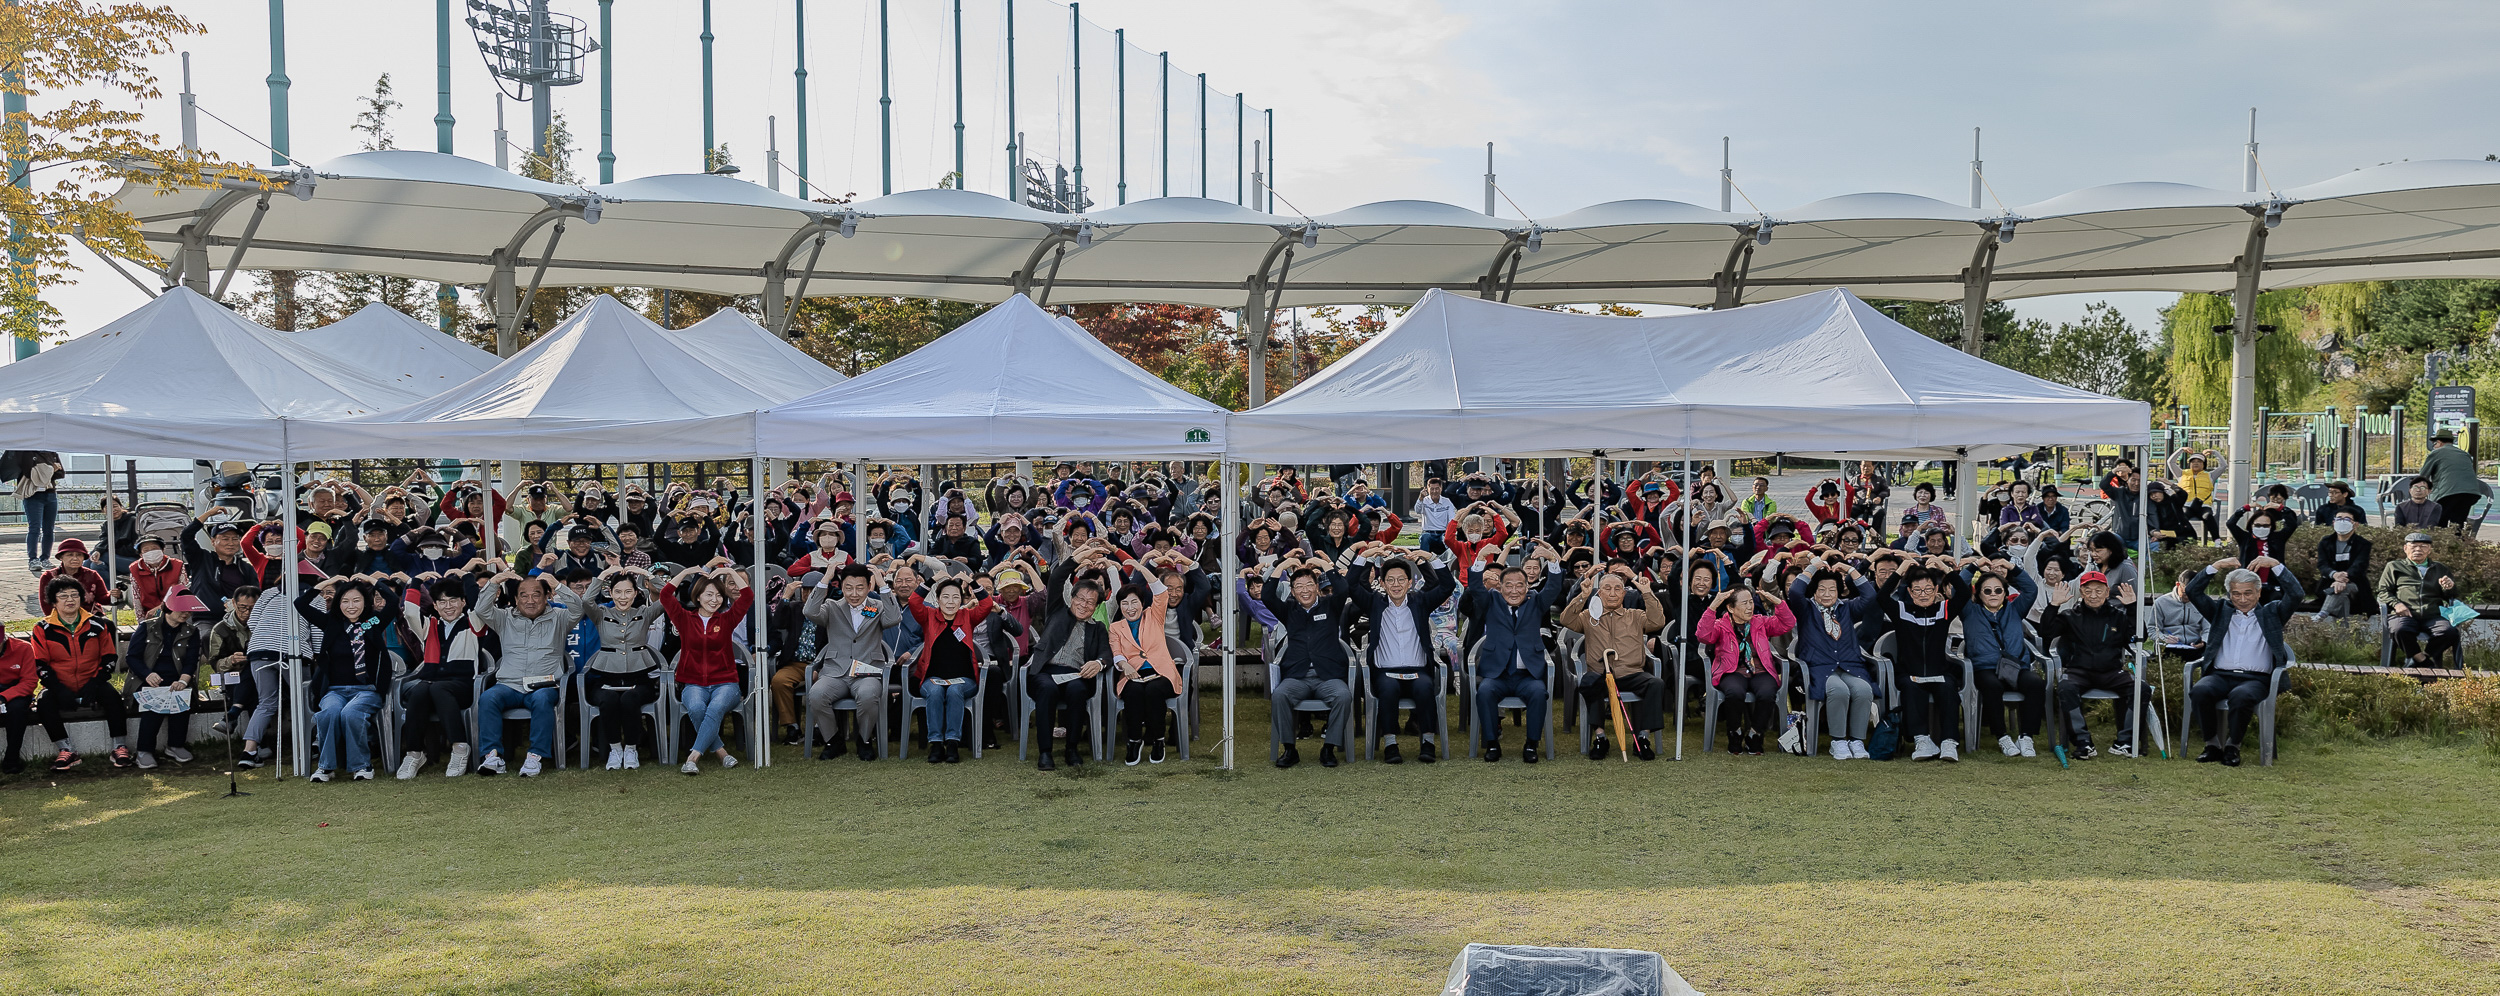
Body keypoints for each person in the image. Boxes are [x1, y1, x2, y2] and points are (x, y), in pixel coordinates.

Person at [2182, 557, 2304, 766]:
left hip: (2255, 679)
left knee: (2241, 696)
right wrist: (2215, 567)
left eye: (2248, 593)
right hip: (2220, 675)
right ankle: (2212, 745)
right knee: (2200, 691)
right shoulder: (2220, 611)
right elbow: (2193, 592)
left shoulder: (2272, 613)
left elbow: (2296, 594)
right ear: (2229, 594)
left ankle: (2232, 746)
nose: (2242, 599)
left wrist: (2275, 565)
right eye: (2236, 593)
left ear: (2258, 592)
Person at [1346, 544, 1457, 765]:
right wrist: (1365, 558)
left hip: (1417, 670)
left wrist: (1429, 558)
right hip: (1385, 672)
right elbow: (1351, 585)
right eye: (1390, 580)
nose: (1396, 585)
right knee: (1387, 690)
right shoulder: (1375, 603)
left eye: (1400, 580)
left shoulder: (1420, 602)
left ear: (1409, 582)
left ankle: (1427, 742)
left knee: (1425, 688)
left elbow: (1447, 585)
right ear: (1383, 583)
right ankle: (1390, 744)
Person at [1459, 539, 1567, 763]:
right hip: (1496, 674)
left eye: (1520, 585)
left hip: (1527, 674)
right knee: (1485, 692)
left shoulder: (1536, 601)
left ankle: (1531, 744)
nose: (1514, 590)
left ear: (1527, 587)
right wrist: (1480, 559)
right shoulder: (1491, 601)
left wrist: (1552, 559)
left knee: (1539, 693)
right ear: (1500, 586)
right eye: (1509, 585)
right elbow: (1476, 587)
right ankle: (1492, 743)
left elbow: (1554, 587)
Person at [474, 571, 587, 777]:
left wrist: (558, 585)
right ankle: (492, 756)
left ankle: (535, 756)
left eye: (536, 594)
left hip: (543, 685)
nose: (530, 600)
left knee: (543, 700)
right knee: (488, 698)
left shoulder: (560, 618)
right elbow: (481, 609)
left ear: (547, 597)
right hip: (509, 684)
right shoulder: (504, 618)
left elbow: (579, 608)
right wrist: (493, 583)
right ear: (516, 599)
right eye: (523, 596)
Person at [296, 574, 399, 782]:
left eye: (356, 600)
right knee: (329, 713)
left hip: (366, 690)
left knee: (351, 714)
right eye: (345, 601)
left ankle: (362, 766)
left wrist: (372, 581)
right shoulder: (332, 624)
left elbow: (394, 601)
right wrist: (326, 583)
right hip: (335, 690)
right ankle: (326, 767)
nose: (350, 606)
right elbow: (301, 604)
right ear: (338, 603)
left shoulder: (371, 623)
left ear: (365, 602)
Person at [1560, 565, 1669, 760]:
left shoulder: (1634, 615)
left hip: (1631, 673)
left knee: (1656, 683)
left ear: (1624, 592)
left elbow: (1657, 622)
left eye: (1617, 589)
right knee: (1589, 682)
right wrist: (1583, 596)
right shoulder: (1588, 617)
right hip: (1601, 673)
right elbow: (1566, 620)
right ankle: (1600, 737)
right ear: (1599, 593)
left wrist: (1647, 593)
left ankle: (1642, 737)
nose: (1612, 593)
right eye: (1607, 589)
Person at [1261, 553, 1359, 768]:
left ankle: (1328, 748)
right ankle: (1289, 749)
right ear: (1293, 591)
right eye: (1299, 586)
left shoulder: (1330, 606)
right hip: (1298, 676)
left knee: (1343, 696)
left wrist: (1324, 564)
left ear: (1316, 587)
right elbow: (1267, 595)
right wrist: (1283, 565)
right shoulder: (1288, 610)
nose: (1304, 590)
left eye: (1309, 585)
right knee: (1280, 696)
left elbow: (1343, 588)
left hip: (1328, 676)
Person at [2038, 569, 2146, 759]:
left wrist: (2132, 607)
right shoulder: (2070, 616)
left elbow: (2140, 636)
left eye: (2098, 591)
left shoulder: (2118, 616)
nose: (2093, 595)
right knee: (2065, 687)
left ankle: (2125, 741)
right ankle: (2083, 743)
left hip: (2112, 671)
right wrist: (2054, 604)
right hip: (2079, 671)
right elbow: (2045, 632)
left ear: (2107, 592)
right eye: (2088, 591)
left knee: (2141, 688)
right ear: (2081, 592)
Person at [804, 564, 902, 760]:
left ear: (868, 587)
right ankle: (833, 740)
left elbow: (894, 618)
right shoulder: (832, 607)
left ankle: (864, 740)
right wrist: (826, 579)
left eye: (859, 587)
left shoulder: (876, 607)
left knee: (867, 695)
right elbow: (810, 611)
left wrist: (882, 584)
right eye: (849, 587)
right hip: (836, 671)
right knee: (816, 694)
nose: (854, 593)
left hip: (867, 671)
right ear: (841, 587)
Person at [392, 575, 485, 779]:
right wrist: (416, 582)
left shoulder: (474, 623)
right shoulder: (430, 626)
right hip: (433, 684)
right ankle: (414, 753)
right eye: (442, 601)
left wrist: (468, 577)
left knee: (436, 688)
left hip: (464, 685)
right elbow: (410, 612)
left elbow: (479, 603)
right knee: (420, 690)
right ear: (435, 605)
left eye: (453, 600)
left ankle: (460, 748)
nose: (448, 606)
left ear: (463, 602)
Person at [663, 565, 754, 774]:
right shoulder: (684, 618)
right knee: (696, 708)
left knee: (715, 707)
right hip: (694, 683)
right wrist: (686, 573)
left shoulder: (726, 619)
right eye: (709, 594)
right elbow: (666, 594)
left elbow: (747, 596)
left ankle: (692, 757)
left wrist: (730, 573)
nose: (715, 600)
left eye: (719, 595)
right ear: (698, 595)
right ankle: (722, 753)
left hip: (726, 683)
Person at [1787, 560, 1881, 759]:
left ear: (1839, 591)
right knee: (1838, 690)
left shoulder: (1847, 608)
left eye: (1832, 589)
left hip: (1849, 665)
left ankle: (1856, 741)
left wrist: (1850, 569)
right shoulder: (1806, 609)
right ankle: (1838, 741)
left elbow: (1870, 596)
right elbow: (1795, 592)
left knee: (1864, 690)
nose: (1827, 594)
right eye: (1822, 589)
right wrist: (1812, 567)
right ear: (1814, 592)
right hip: (1819, 667)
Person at [31, 578, 127, 770]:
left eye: (74, 595)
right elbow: (40, 664)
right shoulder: (42, 628)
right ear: (54, 601)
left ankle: (119, 746)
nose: (70, 600)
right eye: (63, 596)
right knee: (43, 702)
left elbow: (109, 658)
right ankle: (67, 750)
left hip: (92, 682)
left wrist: (95, 683)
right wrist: (58, 689)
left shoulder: (98, 625)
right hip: (59, 685)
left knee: (113, 696)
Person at [1881, 555, 1971, 762]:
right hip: (1909, 672)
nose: (1923, 594)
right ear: (1910, 592)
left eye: (1928, 589)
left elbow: (1964, 593)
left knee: (1949, 688)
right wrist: (1900, 570)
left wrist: (1944, 568)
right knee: (1911, 689)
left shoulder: (1943, 610)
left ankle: (1949, 742)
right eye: (1918, 590)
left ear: (1936, 590)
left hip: (1939, 670)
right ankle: (1922, 740)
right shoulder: (1901, 610)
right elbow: (1882, 597)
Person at [582, 567, 666, 770]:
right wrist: (602, 575)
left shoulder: (644, 613)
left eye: (628, 591)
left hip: (638, 677)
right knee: (608, 700)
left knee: (630, 700)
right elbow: (586, 601)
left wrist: (645, 574)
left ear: (636, 593)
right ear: (610, 593)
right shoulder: (601, 613)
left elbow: (667, 596)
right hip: (606, 676)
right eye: (617, 591)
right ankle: (615, 749)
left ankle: (631, 749)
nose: (623, 597)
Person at [1695, 587, 1794, 755]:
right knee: (1734, 692)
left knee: (1767, 692)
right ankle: (1735, 733)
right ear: (1731, 608)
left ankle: (1755, 734)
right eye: (1744, 603)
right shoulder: (1721, 625)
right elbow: (1703, 636)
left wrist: (1777, 601)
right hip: (1732, 671)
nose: (1750, 607)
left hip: (1760, 670)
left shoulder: (1760, 622)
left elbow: (1787, 623)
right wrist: (1713, 606)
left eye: (1751, 602)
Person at [1963, 560, 2043, 757]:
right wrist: (1973, 566)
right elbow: (1957, 589)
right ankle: (2002, 737)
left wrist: (2012, 567)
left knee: (2035, 684)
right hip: (1985, 668)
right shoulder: (1969, 612)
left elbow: (2031, 589)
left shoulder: (2015, 609)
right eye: (1987, 591)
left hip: (2014, 667)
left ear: (2005, 593)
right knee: (1992, 686)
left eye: (1998, 591)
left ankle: (2026, 737)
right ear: (1978, 593)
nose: (1993, 595)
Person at [1027, 577, 1109, 770]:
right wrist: (1077, 558)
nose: (1084, 605)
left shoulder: (1097, 628)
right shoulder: (1056, 611)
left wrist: (1099, 663)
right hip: (1045, 672)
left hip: (1075, 674)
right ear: (1072, 598)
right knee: (1047, 689)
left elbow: (1106, 652)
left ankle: (1071, 749)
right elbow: (1057, 578)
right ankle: (1045, 752)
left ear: (1096, 606)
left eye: (1090, 602)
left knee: (1078, 691)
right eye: (1080, 599)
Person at [123, 588, 208, 769]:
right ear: (169, 608)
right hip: (147, 681)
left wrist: (183, 681)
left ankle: (175, 745)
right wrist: (147, 675)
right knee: (155, 708)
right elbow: (132, 657)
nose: (186, 614)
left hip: (177, 680)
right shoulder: (147, 626)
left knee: (181, 706)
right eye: (181, 610)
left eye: (189, 611)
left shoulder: (192, 632)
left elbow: (192, 661)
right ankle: (144, 750)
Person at [1106, 572, 1181, 765]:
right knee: (1133, 692)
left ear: (1142, 603)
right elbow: (1116, 652)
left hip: (1161, 671)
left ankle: (1158, 740)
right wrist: (1125, 665)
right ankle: (1134, 740)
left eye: (1134, 602)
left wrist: (1141, 566)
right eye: (1125, 603)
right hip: (1132, 672)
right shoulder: (1115, 627)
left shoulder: (1154, 615)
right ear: (1120, 606)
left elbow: (1161, 592)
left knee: (1154, 690)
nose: (1130, 608)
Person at [2377, 533, 2461, 671]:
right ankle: (2424, 663)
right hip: (2404, 613)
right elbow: (2383, 591)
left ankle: (2420, 658)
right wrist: (2396, 604)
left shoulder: (2440, 568)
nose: (2418, 550)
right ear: (2405, 548)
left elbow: (2452, 595)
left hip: (2433, 614)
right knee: (2400, 630)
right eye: (2413, 546)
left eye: (2423, 546)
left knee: (2449, 632)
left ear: (2429, 550)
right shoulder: (2394, 566)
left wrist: (2450, 587)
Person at [2419, 428, 2483, 531]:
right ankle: (2457, 544)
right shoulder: (2464, 454)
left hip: (2448, 493)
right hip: (2471, 493)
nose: (2434, 446)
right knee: (2457, 524)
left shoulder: (2436, 453)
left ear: (2439, 442)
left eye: (2434, 444)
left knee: (2438, 523)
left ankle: (2440, 544)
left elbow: (2422, 476)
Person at [2313, 510, 2373, 620]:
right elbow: (2322, 564)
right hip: (2328, 583)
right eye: (2339, 518)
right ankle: (2344, 632)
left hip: (2355, 584)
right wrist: (2334, 575)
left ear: (2355, 524)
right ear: (2333, 522)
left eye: (2346, 519)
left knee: (2341, 587)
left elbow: (2359, 565)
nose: (2342, 521)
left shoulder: (2363, 544)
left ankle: (2322, 615)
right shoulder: (2325, 542)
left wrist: (2343, 579)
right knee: (2340, 591)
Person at [2225, 486, 2300, 565]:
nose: (2275, 502)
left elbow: (2292, 525)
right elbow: (2230, 524)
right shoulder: (2246, 539)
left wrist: (2281, 508)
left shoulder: (2277, 538)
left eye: (2266, 525)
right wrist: (2245, 508)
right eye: (2257, 525)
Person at [36, 538, 108, 616]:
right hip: (60, 618)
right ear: (61, 557)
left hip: (91, 616)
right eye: (70, 555)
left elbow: (103, 599)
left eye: (79, 555)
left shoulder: (92, 575)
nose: (75, 558)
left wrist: (115, 595)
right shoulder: (48, 576)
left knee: (108, 626)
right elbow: (46, 604)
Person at [15, 450, 62, 569]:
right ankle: (33, 559)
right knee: (34, 528)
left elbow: (61, 473)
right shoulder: (27, 452)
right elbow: (28, 472)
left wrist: (42, 470)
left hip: (50, 494)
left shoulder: (52, 452)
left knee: (49, 529)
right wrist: (51, 468)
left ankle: (45, 558)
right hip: (33, 495)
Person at [0, 626, 36, 773]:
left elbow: (29, 682)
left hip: (17, 691)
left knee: (17, 711)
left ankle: (12, 759)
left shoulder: (23, 648)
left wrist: (3, 697)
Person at [128, 535, 186, 615]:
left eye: (154, 548)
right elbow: (136, 598)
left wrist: (160, 608)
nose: (151, 552)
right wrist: (142, 622)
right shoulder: (134, 569)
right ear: (141, 554)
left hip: (175, 611)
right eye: (146, 550)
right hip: (148, 613)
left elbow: (183, 593)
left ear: (162, 550)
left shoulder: (177, 565)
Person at [1412, 478, 1457, 556]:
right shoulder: (1424, 500)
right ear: (1427, 489)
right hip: (1428, 532)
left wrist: (1450, 532)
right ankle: (1423, 562)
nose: (1434, 491)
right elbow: (1417, 510)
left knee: (1448, 540)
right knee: (1424, 538)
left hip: (1443, 533)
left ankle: (1451, 561)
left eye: (1437, 488)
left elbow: (1452, 518)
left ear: (1441, 488)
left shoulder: (1447, 502)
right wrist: (1420, 498)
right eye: (1432, 489)